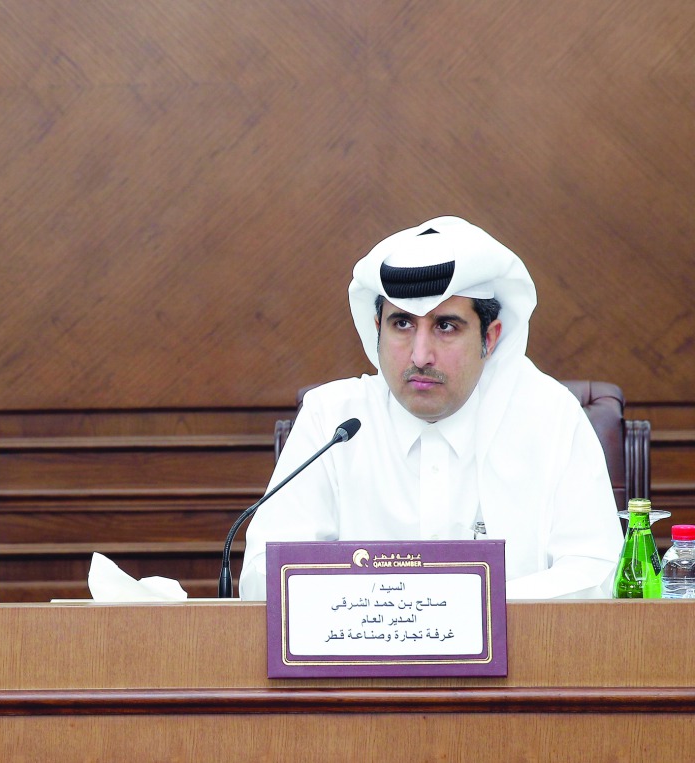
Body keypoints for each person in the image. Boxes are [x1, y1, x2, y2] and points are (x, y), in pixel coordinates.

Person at [239, 216, 623, 600]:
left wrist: (457, 613)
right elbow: (263, 578)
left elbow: (596, 573)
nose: (420, 355)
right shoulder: (332, 419)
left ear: (489, 338)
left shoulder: (549, 417)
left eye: (446, 327)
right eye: (402, 324)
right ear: (377, 328)